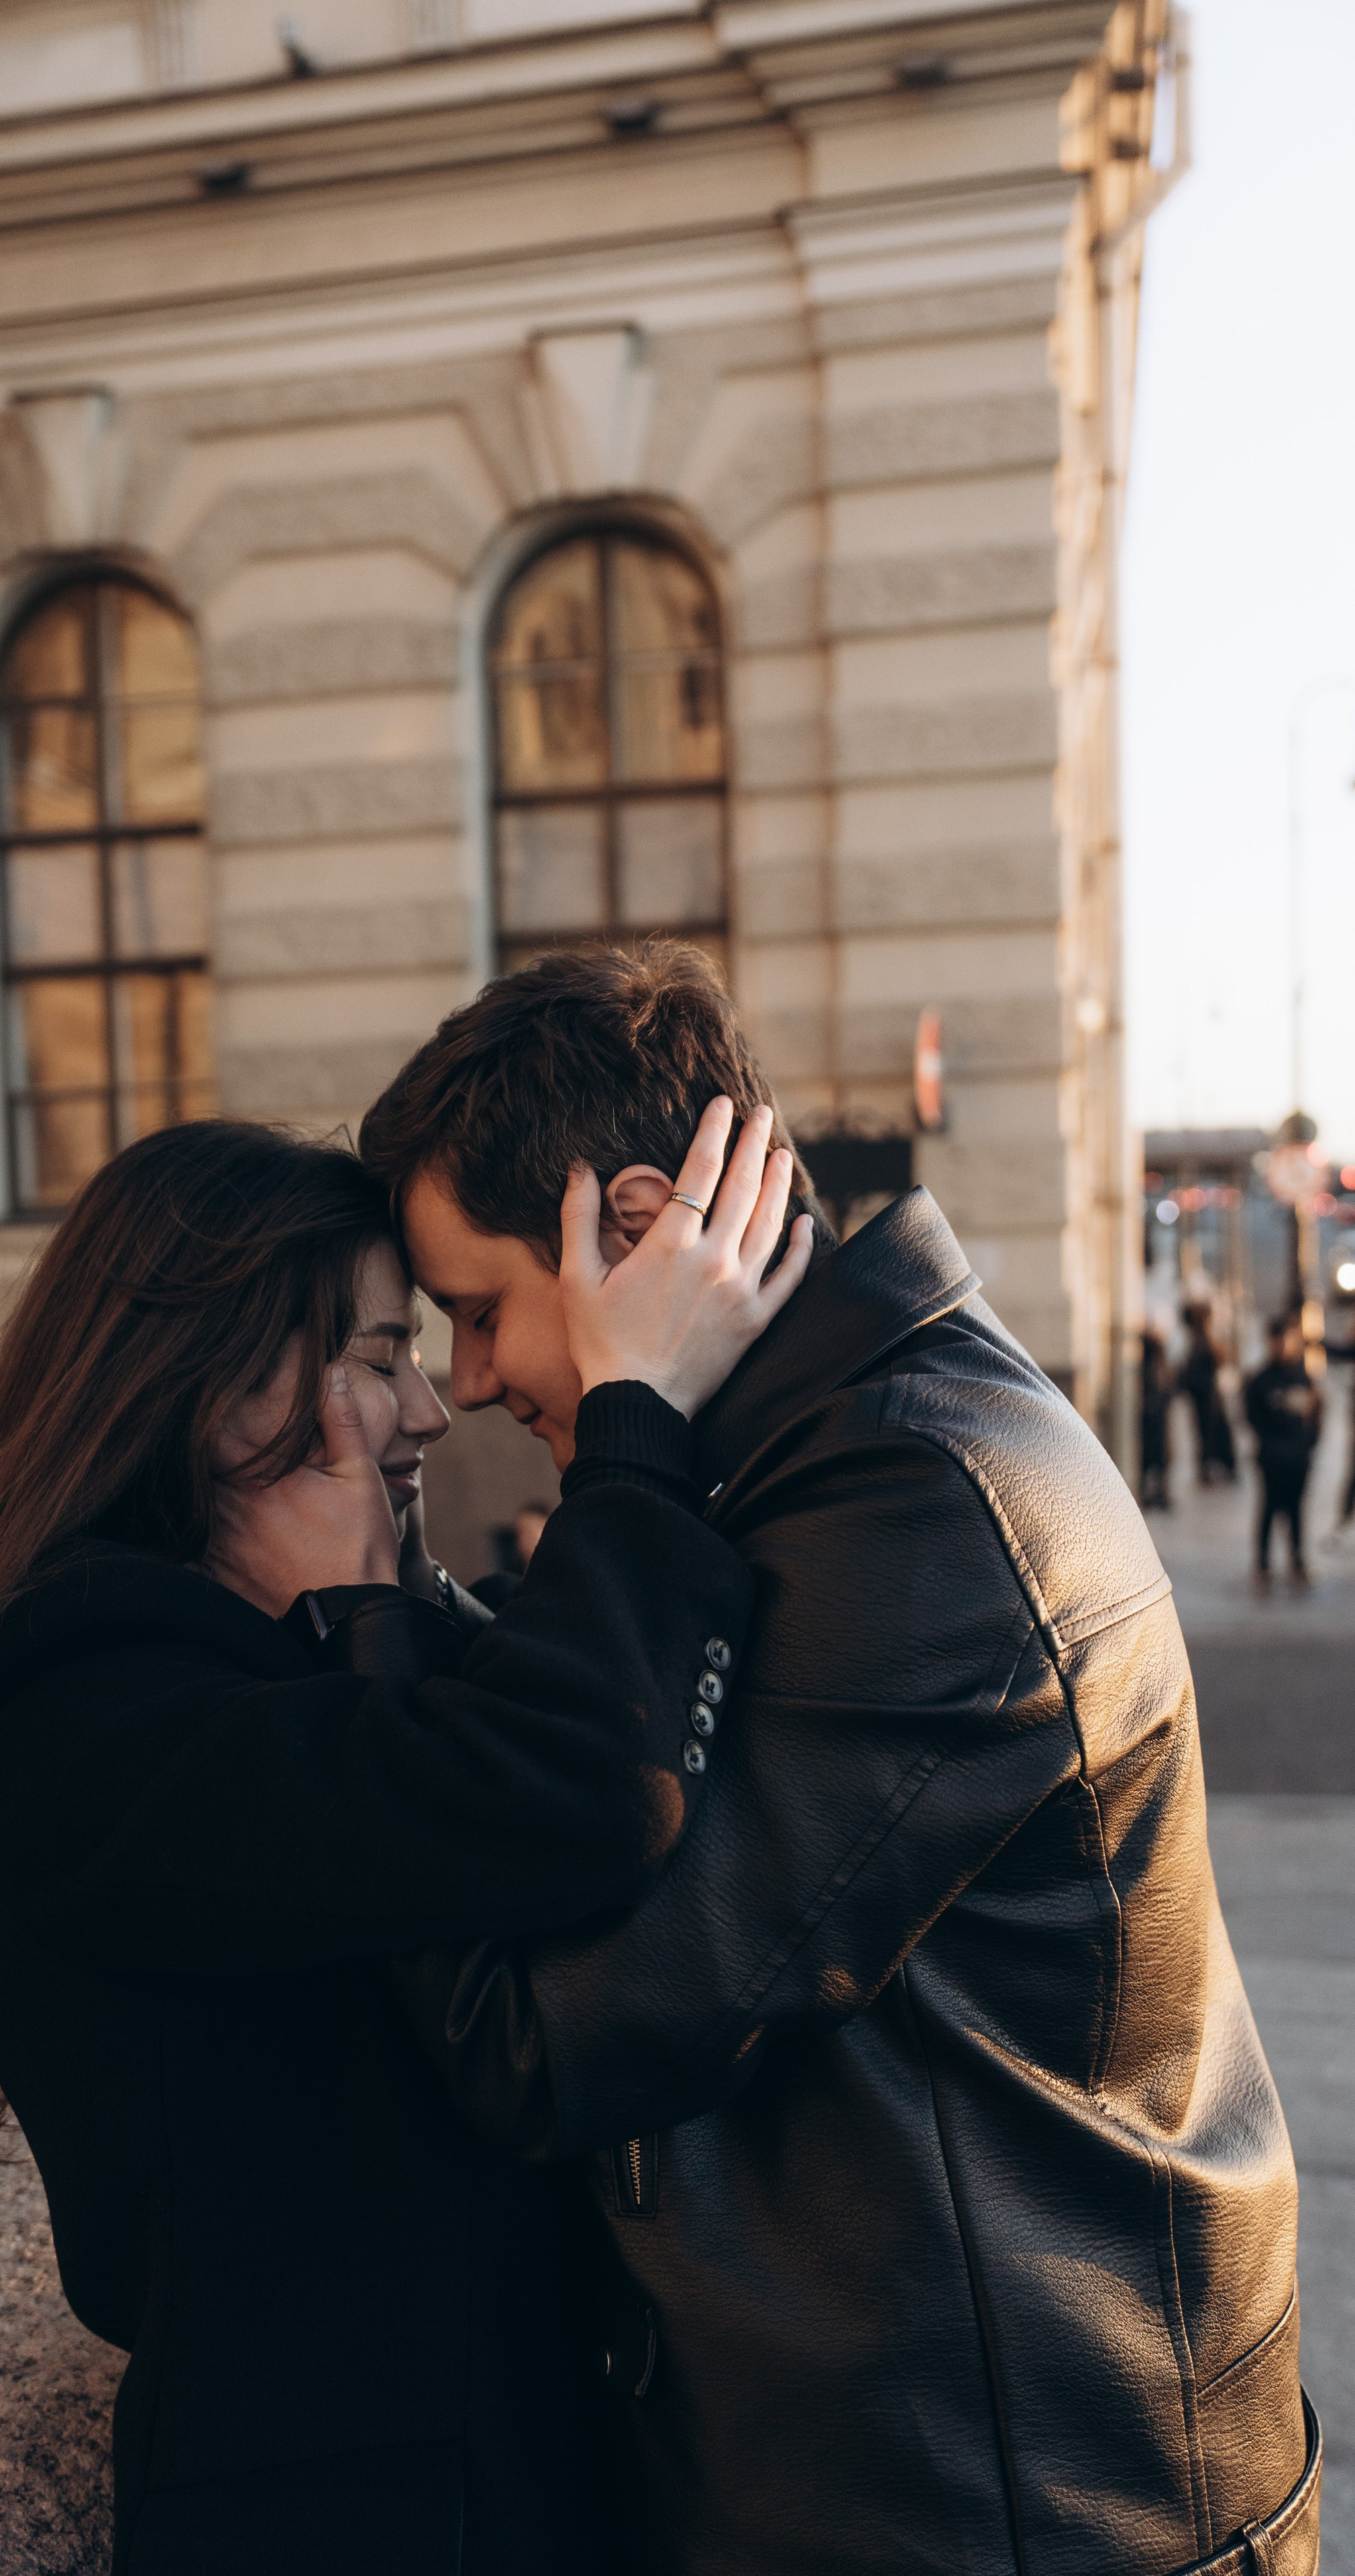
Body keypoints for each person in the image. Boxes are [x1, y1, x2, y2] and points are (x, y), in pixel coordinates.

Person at [360, 943, 1317, 2576]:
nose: (459, 1384)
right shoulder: (828, 1454)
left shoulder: (919, 1509)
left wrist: (353, 1623)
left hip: (1022, 2518)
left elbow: (552, 2031)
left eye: (476, 1313)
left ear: (639, 1228)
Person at [0, 1114, 810, 2576]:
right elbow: (578, 1783)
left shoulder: (241, 1656)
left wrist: (365, 1605)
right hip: (339, 2519)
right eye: (378, 1355)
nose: (425, 1407)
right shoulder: (71, 1699)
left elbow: (523, 1732)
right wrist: (633, 1417)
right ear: (215, 1385)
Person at [1245, 1313, 1323, 1583]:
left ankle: (1297, 1560)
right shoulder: (1260, 1380)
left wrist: (1309, 1445)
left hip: (1298, 1456)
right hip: (1272, 1456)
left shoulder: (1303, 1378)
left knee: (1297, 1510)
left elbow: (1317, 1416)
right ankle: (1264, 1563)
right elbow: (1252, 1418)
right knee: (1268, 1508)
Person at [1179, 1301, 1237, 1484]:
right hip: (1205, 1396)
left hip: (1207, 1396)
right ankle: (1211, 1468)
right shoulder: (1200, 1340)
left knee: (1212, 1433)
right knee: (1208, 1434)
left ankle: (1216, 1467)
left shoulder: (1200, 1340)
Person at [1138, 1323, 1173, 1507]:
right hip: (1153, 1419)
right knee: (1154, 1459)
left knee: (1156, 1460)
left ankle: (1157, 1493)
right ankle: (1155, 1493)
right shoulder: (1154, 1362)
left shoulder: (1155, 1362)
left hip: (1157, 1419)